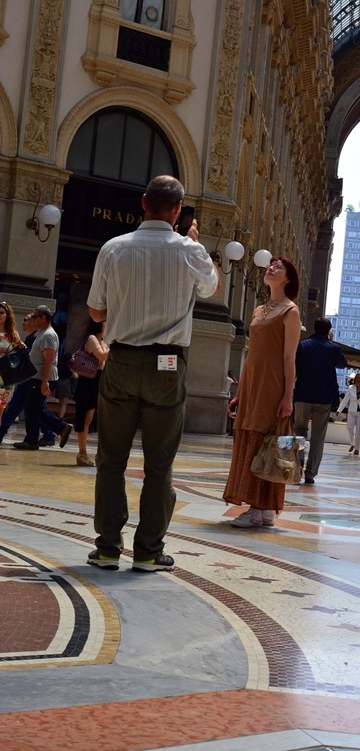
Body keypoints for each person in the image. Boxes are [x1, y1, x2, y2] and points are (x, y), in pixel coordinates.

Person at [86, 175, 219, 570]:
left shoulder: (114, 249)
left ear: (143, 203)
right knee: (159, 464)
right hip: (168, 365)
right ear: (178, 210)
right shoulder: (190, 251)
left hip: (123, 360)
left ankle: (108, 547)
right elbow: (211, 288)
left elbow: (95, 311)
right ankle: (148, 552)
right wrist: (193, 241)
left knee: (111, 459)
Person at [224, 256, 301, 526]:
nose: (271, 268)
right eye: (270, 265)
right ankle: (265, 509)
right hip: (253, 382)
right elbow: (252, 354)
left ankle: (258, 508)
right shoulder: (258, 310)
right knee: (251, 437)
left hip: (272, 385)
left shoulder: (290, 311)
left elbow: (289, 358)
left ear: (288, 278)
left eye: (278, 267)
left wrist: (287, 395)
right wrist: (240, 391)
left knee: (265, 440)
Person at [294, 317, 347, 483]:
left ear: (313, 328)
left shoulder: (302, 345)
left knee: (299, 431)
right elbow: (342, 364)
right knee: (318, 436)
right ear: (329, 331)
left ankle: (297, 466)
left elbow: (294, 366)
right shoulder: (333, 348)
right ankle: (310, 474)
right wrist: (331, 342)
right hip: (324, 397)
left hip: (303, 394)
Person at [13, 305, 73, 451]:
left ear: (43, 318)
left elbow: (49, 360)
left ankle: (57, 429)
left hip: (42, 377)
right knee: (34, 409)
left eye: (35, 316)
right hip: (36, 376)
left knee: (34, 408)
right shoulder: (41, 333)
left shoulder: (49, 335)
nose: (32, 319)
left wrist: (45, 382)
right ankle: (53, 431)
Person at [0, 312, 55, 446]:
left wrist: (44, 381)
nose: (23, 322)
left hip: (29, 377)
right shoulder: (31, 337)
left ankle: (53, 431)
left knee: (20, 407)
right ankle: (49, 433)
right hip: (27, 377)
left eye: (27, 320)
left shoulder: (40, 336)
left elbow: (45, 359)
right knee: (33, 408)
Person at [74, 319, 109, 467]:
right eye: (105, 322)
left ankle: (87, 453)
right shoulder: (92, 339)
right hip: (89, 382)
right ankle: (82, 453)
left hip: (98, 381)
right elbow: (101, 356)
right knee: (85, 417)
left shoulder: (103, 342)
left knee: (91, 417)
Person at [336, 372, 360, 456]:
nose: (359, 380)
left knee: (359, 430)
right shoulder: (350, 388)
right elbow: (345, 400)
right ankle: (352, 443)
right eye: (357, 378)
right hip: (352, 411)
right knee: (349, 427)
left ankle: (357, 449)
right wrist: (339, 410)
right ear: (354, 379)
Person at [0, 301, 23, 425]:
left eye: (2, 313)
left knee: (1, 408)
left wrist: (9, 349)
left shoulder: (13, 334)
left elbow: (18, 353)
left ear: (7, 315)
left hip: (6, 377)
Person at [225, 369, 239, 435]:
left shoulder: (227, 379)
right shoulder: (228, 379)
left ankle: (229, 429)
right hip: (227, 398)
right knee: (230, 415)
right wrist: (233, 377)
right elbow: (237, 384)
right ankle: (230, 430)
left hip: (228, 398)